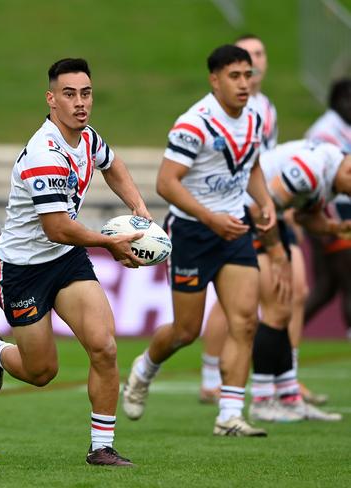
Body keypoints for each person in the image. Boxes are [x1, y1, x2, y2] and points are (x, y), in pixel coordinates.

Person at [0, 58, 151, 467]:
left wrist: (139, 208)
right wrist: (109, 242)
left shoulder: (88, 139)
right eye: (69, 94)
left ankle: (101, 447)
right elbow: (57, 227)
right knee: (41, 373)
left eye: (86, 93)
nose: (80, 102)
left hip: (66, 261)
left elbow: (114, 165)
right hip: (21, 270)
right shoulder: (44, 152)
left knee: (104, 346)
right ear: (51, 99)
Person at [122, 45, 277, 437]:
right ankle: (143, 371)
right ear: (215, 79)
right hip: (193, 232)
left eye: (248, 75)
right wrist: (211, 219)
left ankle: (229, 415)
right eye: (235, 76)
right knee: (186, 331)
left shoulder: (256, 117)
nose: (244, 83)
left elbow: (251, 165)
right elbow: (165, 183)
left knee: (244, 321)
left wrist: (264, 201)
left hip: (235, 231)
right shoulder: (194, 124)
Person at [198, 35, 311, 407]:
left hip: (268, 207)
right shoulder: (209, 114)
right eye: (247, 57)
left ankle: (284, 377)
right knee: (232, 301)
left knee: (293, 291)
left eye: (260, 55)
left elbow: (264, 162)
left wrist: (276, 206)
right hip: (238, 211)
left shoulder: (266, 110)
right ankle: (213, 377)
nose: (254, 63)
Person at [244, 139, 348, 422]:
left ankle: (289, 396)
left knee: (287, 306)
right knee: (277, 309)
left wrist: (334, 227)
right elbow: (260, 209)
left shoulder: (333, 172)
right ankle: (263, 400)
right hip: (247, 217)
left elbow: (304, 215)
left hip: (266, 220)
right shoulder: (311, 168)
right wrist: (277, 255)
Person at [304, 78, 351, 344]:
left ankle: (283, 340)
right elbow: (316, 180)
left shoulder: (344, 127)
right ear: (341, 99)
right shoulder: (324, 131)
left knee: (325, 288)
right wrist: (326, 222)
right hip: (327, 213)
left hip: (339, 212)